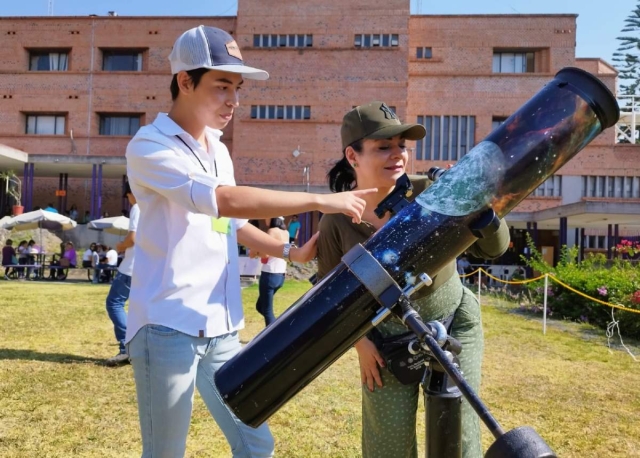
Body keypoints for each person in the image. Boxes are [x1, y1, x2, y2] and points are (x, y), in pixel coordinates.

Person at [125, 25, 375, 457]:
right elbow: (224, 201)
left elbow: (224, 222)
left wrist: (287, 250)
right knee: (165, 452)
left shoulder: (218, 149)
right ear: (185, 81)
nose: (234, 101)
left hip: (222, 326)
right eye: (222, 86)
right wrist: (321, 199)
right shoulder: (149, 146)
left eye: (237, 88)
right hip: (167, 327)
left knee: (256, 444)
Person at [316, 102, 510, 458]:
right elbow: (330, 299)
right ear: (352, 155)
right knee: (387, 444)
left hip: (455, 322)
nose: (398, 156)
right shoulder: (335, 221)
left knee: (460, 436)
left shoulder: (431, 192)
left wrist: (483, 209)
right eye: (383, 147)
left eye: (402, 146)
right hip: (385, 341)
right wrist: (360, 344)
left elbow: (496, 249)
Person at [104, 182, 140, 367]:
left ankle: (126, 348)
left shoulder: (138, 207)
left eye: (127, 197)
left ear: (131, 193)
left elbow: (132, 238)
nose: (128, 201)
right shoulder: (157, 207)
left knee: (114, 303)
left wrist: (120, 246)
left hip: (131, 268)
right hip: (149, 267)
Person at [255, 217, 289, 326]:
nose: (265, 219)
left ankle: (276, 331)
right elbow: (286, 253)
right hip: (280, 274)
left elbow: (265, 254)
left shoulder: (272, 231)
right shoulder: (286, 233)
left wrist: (256, 252)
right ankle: (277, 325)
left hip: (269, 273)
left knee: (267, 311)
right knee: (260, 306)